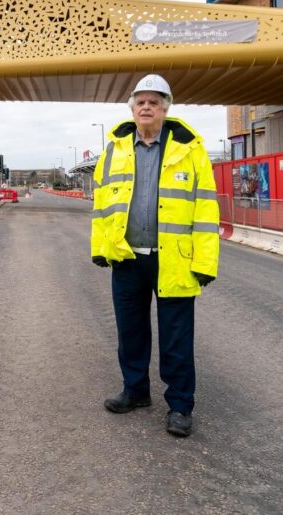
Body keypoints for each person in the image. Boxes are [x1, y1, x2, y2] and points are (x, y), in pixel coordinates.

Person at [90, 74, 220, 437]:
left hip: (174, 259)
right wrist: (101, 248)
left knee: (176, 338)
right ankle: (135, 391)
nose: (146, 107)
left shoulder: (189, 149)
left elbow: (206, 211)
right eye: (140, 101)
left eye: (154, 101)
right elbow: (102, 204)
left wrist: (205, 262)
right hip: (127, 258)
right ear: (132, 109)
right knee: (130, 332)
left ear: (165, 108)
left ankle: (180, 404)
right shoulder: (115, 149)